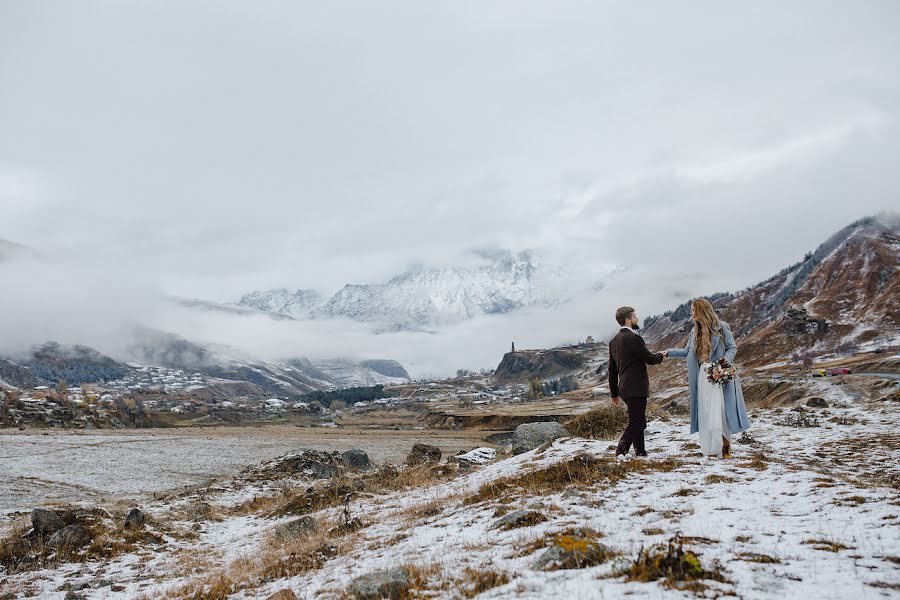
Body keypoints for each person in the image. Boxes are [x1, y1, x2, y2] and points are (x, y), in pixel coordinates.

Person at [665, 298, 751, 458]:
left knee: (721, 410)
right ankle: (712, 446)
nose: (691, 313)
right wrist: (668, 353)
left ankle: (725, 446)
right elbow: (687, 351)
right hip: (703, 376)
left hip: (719, 374)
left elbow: (732, 347)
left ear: (701, 311)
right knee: (706, 411)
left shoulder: (722, 327)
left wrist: (723, 362)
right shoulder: (694, 331)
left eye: (693, 310)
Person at [608, 306, 665, 458]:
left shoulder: (614, 341)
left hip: (625, 388)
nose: (637, 319)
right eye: (634, 317)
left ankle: (640, 451)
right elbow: (649, 359)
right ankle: (621, 451)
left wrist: (614, 393)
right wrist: (661, 355)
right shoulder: (633, 338)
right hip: (636, 387)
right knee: (637, 422)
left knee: (638, 420)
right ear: (628, 319)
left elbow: (612, 370)